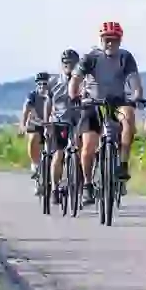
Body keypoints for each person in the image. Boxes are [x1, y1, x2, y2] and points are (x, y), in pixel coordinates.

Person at [67, 21, 146, 206]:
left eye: (114, 40)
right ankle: (87, 185)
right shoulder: (90, 57)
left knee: (128, 117)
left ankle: (123, 164)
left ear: (120, 41)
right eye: (106, 40)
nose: (110, 43)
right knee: (88, 147)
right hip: (92, 102)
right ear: (101, 40)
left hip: (117, 101)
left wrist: (137, 96)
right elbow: (76, 79)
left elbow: (135, 81)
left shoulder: (125, 57)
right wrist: (73, 94)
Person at [45, 49, 81, 202]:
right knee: (59, 153)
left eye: (72, 63)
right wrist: (47, 122)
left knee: (82, 152)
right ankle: (54, 188)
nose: (69, 66)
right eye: (66, 63)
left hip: (78, 120)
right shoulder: (54, 81)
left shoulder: (83, 80)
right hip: (60, 120)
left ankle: (80, 185)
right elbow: (48, 102)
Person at [19, 72, 51, 181]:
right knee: (33, 138)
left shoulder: (53, 94)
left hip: (50, 123)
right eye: (40, 84)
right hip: (35, 123)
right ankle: (35, 164)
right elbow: (26, 110)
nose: (43, 87)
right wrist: (22, 126)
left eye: (45, 84)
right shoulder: (32, 95)